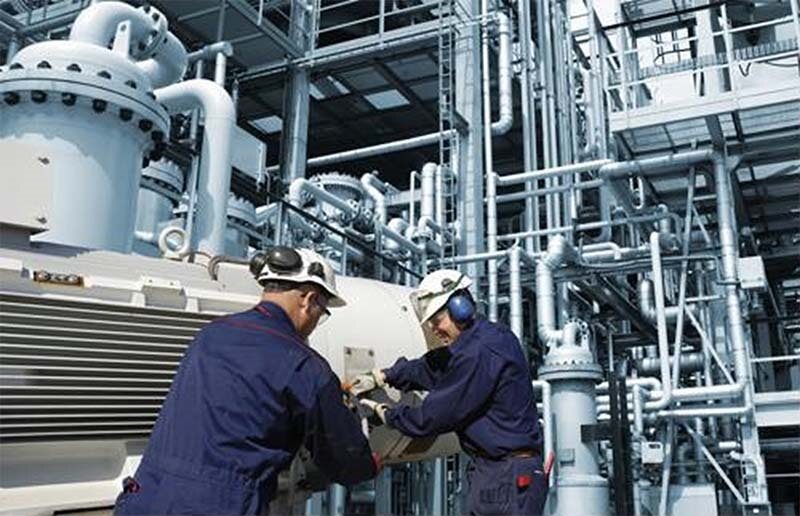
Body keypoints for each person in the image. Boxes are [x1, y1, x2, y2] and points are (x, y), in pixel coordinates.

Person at [115, 246, 378, 515]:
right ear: (308, 300)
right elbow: (345, 461)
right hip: (219, 507)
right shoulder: (305, 366)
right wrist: (369, 462)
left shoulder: (209, 335)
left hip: (147, 497)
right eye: (322, 312)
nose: (316, 321)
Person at [349, 269, 548, 515]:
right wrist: (386, 375)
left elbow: (434, 417)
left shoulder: (479, 351)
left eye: (437, 320)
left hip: (506, 475)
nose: (434, 329)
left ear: (459, 307)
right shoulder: (485, 339)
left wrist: (388, 415)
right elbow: (433, 367)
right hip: (500, 471)